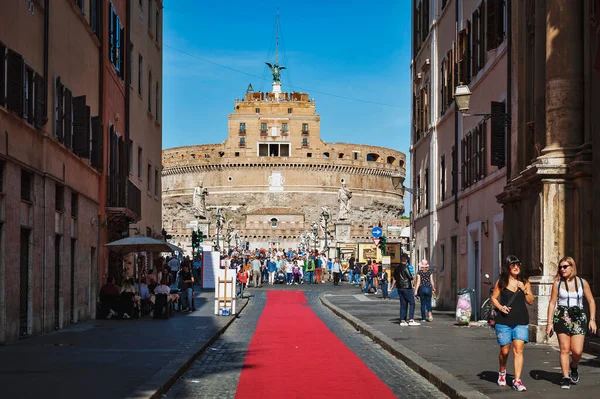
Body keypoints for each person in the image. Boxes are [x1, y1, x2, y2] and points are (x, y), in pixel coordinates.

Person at [546, 256, 597, 389]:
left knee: (577, 350)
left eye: (565, 267)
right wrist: (549, 323)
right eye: (560, 267)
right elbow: (552, 303)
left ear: (572, 267)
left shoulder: (582, 282)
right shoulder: (557, 283)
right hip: (562, 316)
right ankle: (565, 377)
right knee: (564, 349)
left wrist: (592, 319)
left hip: (579, 316)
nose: (562, 269)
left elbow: (591, 301)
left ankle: (573, 365)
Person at [490, 255, 534, 392]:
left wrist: (525, 290)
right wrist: (501, 307)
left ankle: (517, 380)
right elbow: (493, 298)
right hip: (504, 321)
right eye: (513, 265)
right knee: (505, 351)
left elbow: (531, 301)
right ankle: (502, 372)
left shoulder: (525, 282)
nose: (516, 267)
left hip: (521, 320)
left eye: (518, 265)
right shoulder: (501, 282)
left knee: (519, 349)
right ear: (508, 267)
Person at [393, 257, 419, 326]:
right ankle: (411, 319)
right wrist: (413, 277)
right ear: (406, 260)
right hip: (407, 287)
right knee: (412, 303)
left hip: (399, 287)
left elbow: (395, 277)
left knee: (403, 304)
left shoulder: (396, 268)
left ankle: (402, 320)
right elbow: (410, 277)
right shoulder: (405, 267)